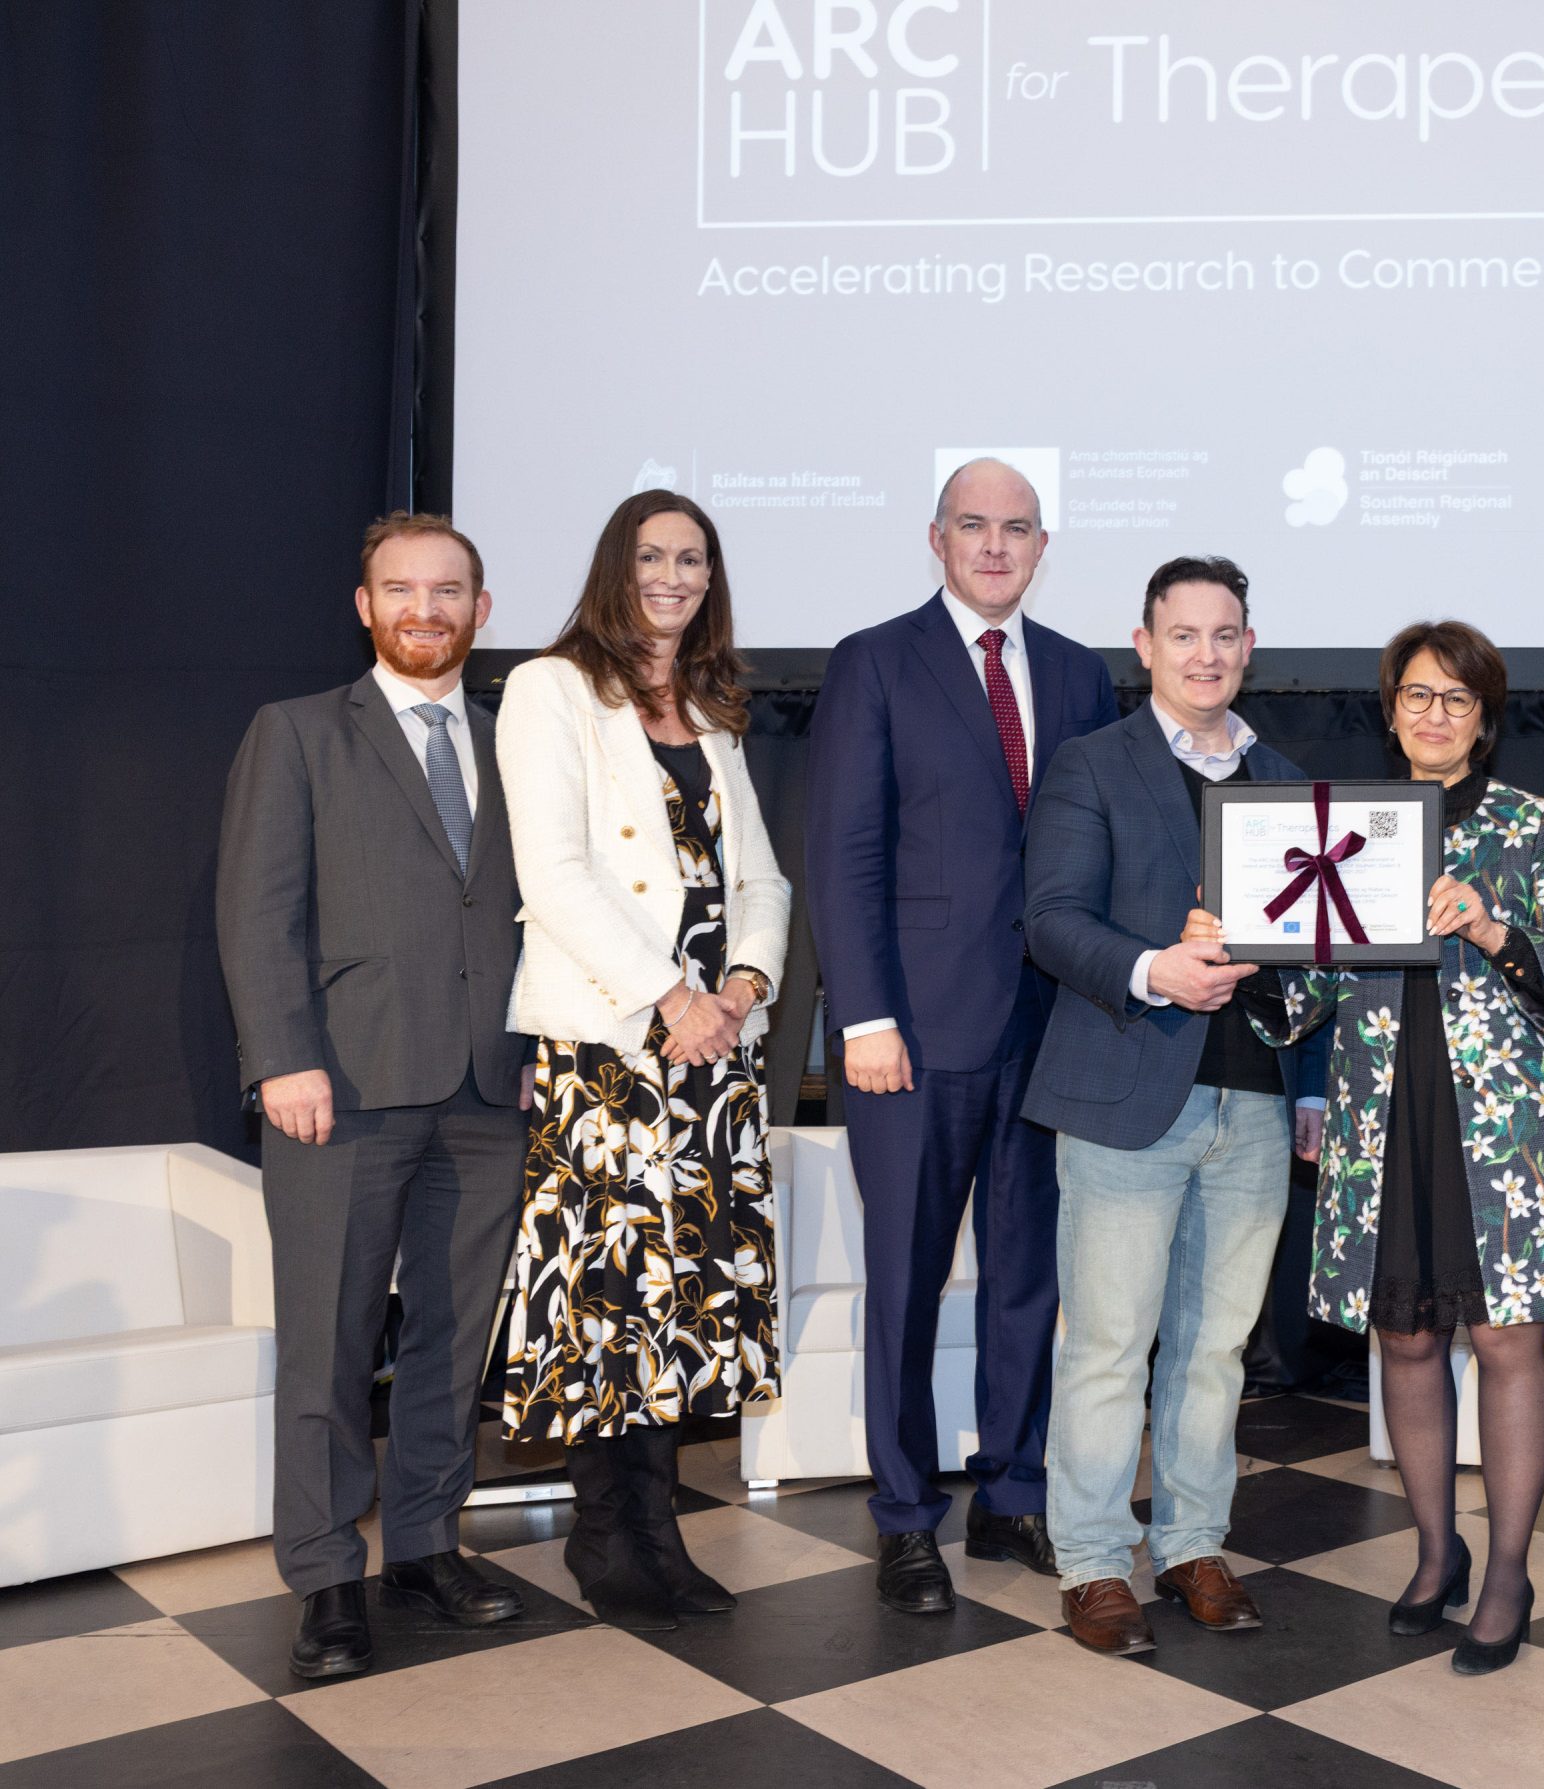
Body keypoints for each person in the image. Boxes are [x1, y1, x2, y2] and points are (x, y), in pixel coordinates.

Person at [1247, 620, 1544, 1676]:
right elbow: (1303, 989)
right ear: (1391, 708)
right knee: (1403, 1340)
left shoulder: (1529, 822)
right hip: (1381, 1116)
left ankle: (1506, 1571)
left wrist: (1494, 929)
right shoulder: (1347, 826)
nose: (1433, 714)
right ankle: (1432, 1550)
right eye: (1416, 694)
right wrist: (1250, 951)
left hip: (1504, 1132)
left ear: (1485, 718)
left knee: (1504, 1342)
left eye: (1455, 698)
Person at [216, 513, 533, 1680]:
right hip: (338, 1087)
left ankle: (425, 1546)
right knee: (330, 1344)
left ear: (481, 610)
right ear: (364, 606)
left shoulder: (515, 743)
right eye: (400, 588)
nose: (424, 609)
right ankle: (322, 1575)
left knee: (455, 1343)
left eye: (448, 591)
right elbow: (256, 910)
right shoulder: (297, 734)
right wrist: (280, 1056)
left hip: (489, 1088)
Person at [806, 459, 1118, 1614]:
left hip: (1051, 1031)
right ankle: (902, 1514)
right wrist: (866, 1016)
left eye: (1017, 529)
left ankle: (1013, 1493)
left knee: (1031, 1277)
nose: (995, 546)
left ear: (1044, 546)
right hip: (915, 1034)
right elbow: (844, 852)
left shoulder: (1084, 676)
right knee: (906, 1277)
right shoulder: (873, 661)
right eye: (974, 526)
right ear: (935, 537)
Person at [494, 489, 792, 1632]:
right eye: (654, 555)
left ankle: (659, 1527)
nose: (674, 576)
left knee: (684, 1303)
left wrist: (745, 988)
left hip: (711, 1051)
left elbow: (760, 878)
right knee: (611, 1296)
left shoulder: (709, 707)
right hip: (615, 1043)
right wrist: (670, 996)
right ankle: (603, 1534)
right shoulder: (550, 689)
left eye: (694, 560)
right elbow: (553, 874)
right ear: (616, 566)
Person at [1020, 556, 1306, 1656]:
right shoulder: (1091, 765)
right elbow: (1050, 920)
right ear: (1143, 646)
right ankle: (1093, 1561)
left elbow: (1310, 944)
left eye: (1224, 633)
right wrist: (1153, 969)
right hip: (1124, 1094)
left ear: (1247, 644)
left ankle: (1191, 1543)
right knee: (1105, 1345)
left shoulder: (1283, 778)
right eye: (1182, 634)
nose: (1205, 654)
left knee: (1213, 1349)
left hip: (1252, 1102)